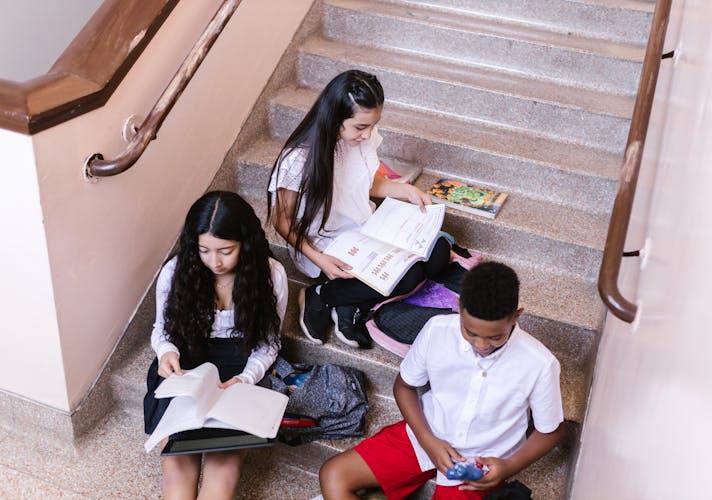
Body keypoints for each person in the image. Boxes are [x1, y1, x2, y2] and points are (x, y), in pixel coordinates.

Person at [318, 262, 564, 499]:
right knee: (334, 475)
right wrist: (428, 441)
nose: (481, 346)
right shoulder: (437, 329)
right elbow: (404, 387)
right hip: (427, 433)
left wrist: (508, 467)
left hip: (481, 462)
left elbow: (549, 432)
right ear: (458, 307)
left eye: (495, 337)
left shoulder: (539, 363)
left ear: (516, 316)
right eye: (470, 332)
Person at [268, 69, 450, 349]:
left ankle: (345, 302)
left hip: (366, 228)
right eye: (360, 127)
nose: (367, 135)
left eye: (372, 125)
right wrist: (319, 259)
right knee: (410, 275)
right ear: (334, 119)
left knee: (437, 251)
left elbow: (363, 182)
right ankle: (320, 295)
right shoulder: (299, 160)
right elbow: (281, 220)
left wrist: (406, 191)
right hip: (325, 245)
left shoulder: (361, 138)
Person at [143, 191, 288, 500]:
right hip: (186, 366)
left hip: (241, 367)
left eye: (226, 250)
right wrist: (167, 352)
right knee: (177, 474)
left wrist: (245, 379)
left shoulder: (271, 275)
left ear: (245, 244)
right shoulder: (176, 271)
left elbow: (268, 343)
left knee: (222, 478)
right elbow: (161, 330)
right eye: (204, 250)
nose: (214, 262)